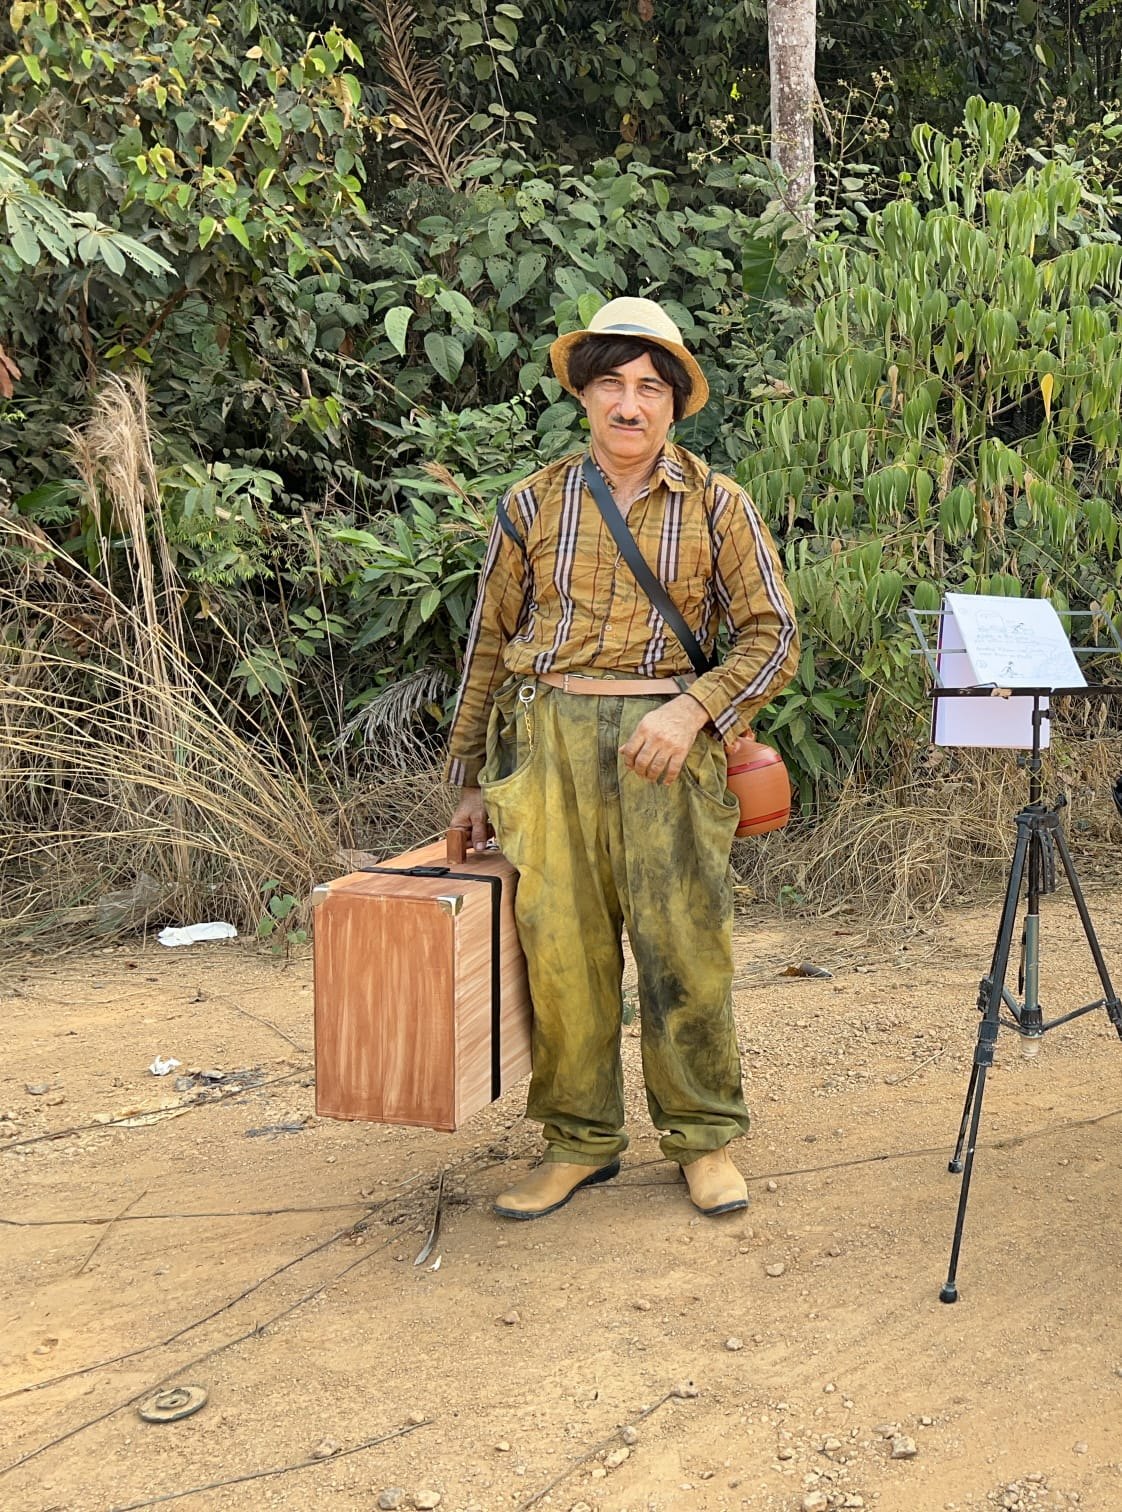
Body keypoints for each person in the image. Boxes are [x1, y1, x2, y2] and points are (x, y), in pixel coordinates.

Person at [446, 296, 799, 1220]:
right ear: (584, 396)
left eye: (650, 387)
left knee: (684, 944)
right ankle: (578, 1142)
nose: (630, 404)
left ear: (677, 405)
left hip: (667, 750)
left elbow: (772, 635)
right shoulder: (532, 502)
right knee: (559, 950)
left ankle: (704, 1138)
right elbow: (488, 643)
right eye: (612, 384)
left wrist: (693, 711)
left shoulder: (718, 504)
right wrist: (470, 780)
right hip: (548, 743)